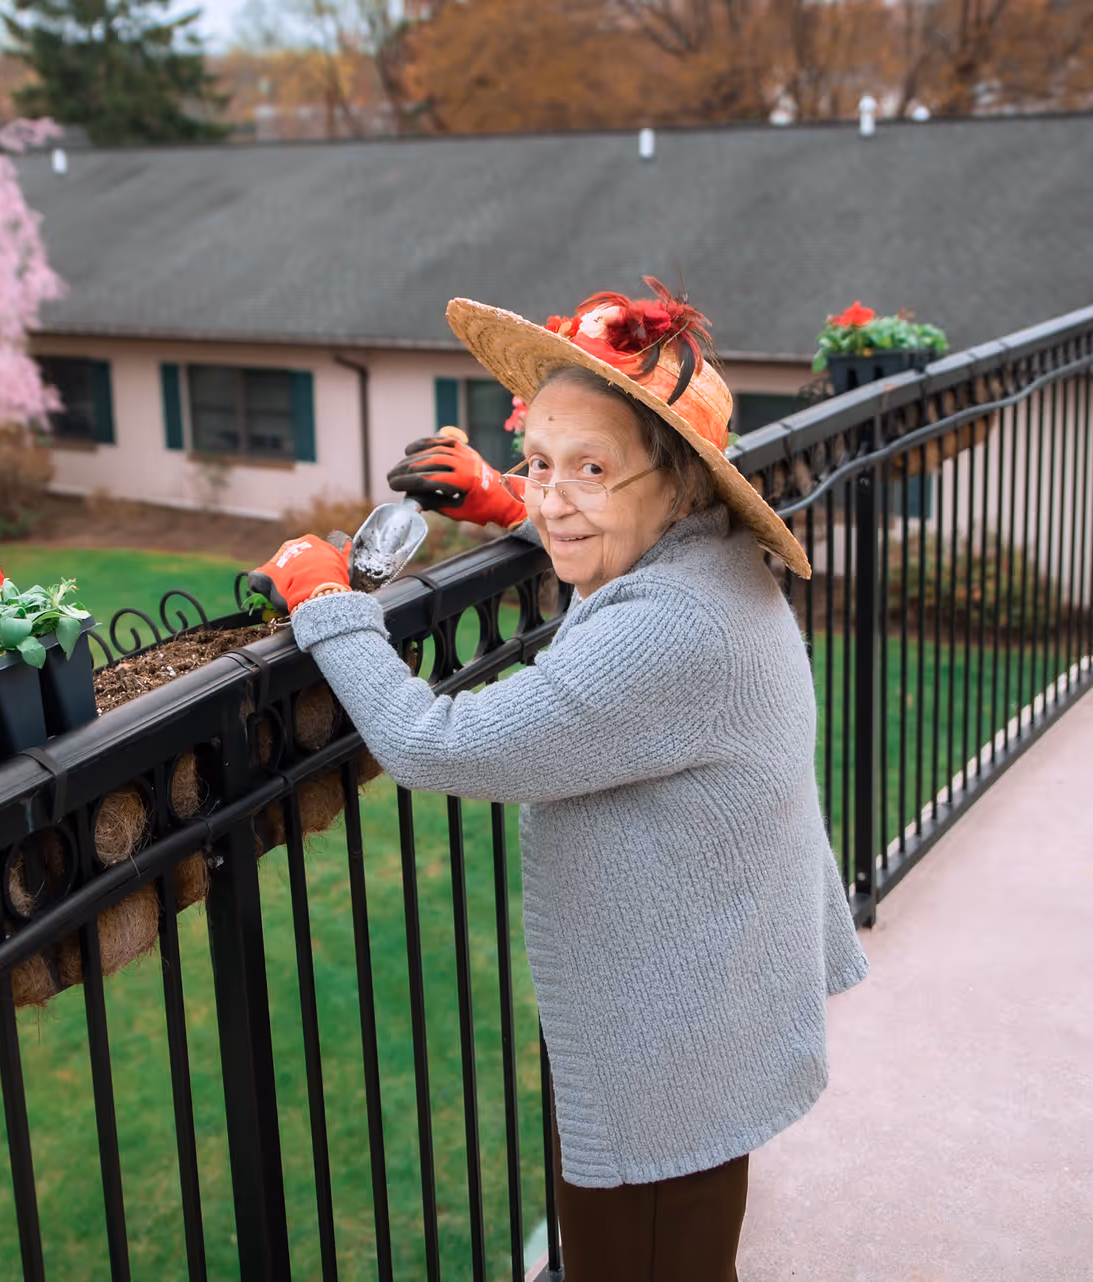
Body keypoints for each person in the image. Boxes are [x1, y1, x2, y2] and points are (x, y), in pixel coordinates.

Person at [250, 280, 868, 1282]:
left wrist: (328, 602)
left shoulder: (674, 628)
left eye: (591, 467)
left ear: (683, 482)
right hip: (709, 989)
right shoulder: (707, 559)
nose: (552, 494)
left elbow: (434, 741)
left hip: (667, 1039)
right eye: (537, 463)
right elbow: (601, 535)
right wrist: (510, 506)